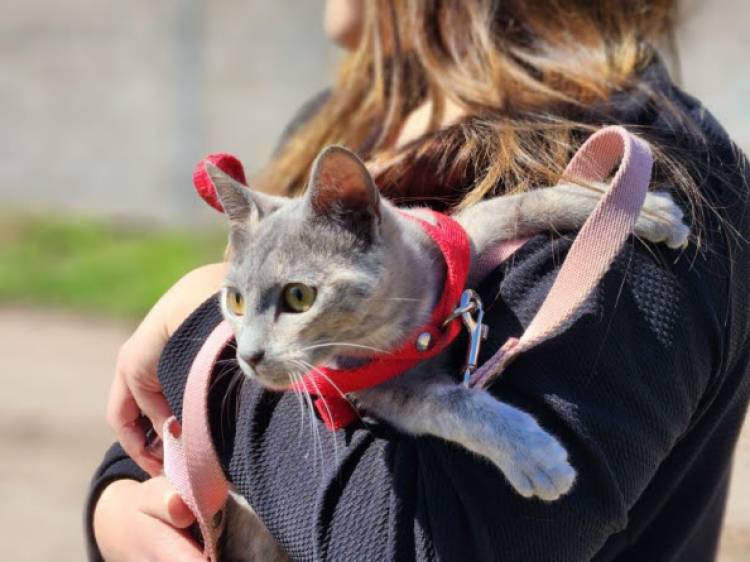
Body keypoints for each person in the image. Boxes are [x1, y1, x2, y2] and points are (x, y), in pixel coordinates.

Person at [87, 1, 750, 561]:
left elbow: (421, 542)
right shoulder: (353, 120)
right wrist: (120, 507)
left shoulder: (648, 179)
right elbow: (233, 428)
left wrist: (198, 320)